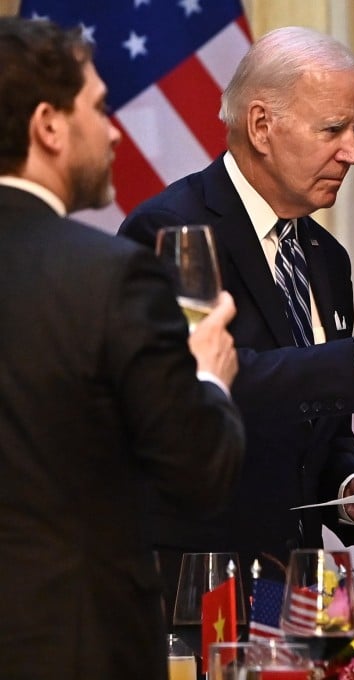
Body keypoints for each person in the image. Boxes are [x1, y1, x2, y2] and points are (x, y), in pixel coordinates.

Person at [119, 26, 354, 613]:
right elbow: (204, 391)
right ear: (261, 125)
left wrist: (349, 491)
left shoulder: (324, 257)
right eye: (332, 130)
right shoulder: (172, 233)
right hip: (194, 588)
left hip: (295, 590)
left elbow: (320, 422)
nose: (352, 153)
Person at [0, 17, 245, 679]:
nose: (113, 129)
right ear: (49, 126)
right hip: (70, 647)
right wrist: (208, 378)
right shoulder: (112, 274)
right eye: (101, 106)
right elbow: (198, 473)